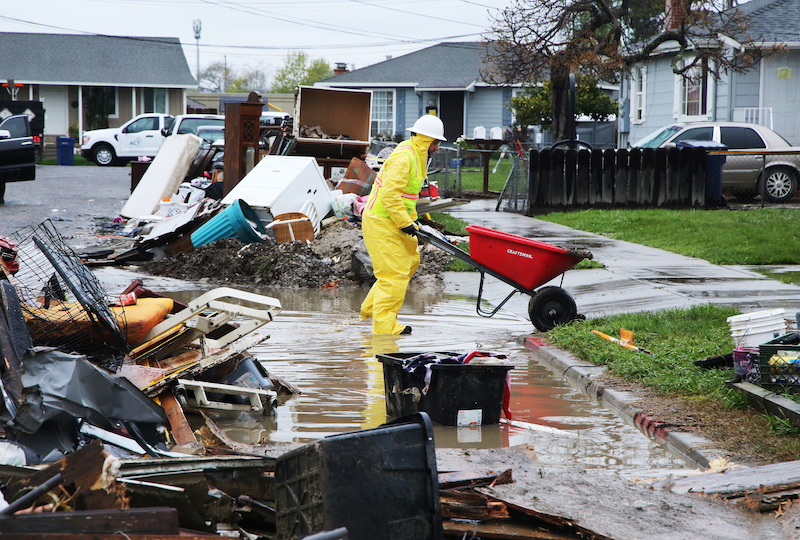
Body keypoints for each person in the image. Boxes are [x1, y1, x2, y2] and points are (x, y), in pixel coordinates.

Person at [360, 115, 446, 335]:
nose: (437, 148)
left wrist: (412, 220)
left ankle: (371, 309)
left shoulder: (418, 156)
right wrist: (404, 223)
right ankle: (385, 328)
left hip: (392, 220)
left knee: (411, 261)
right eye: (435, 143)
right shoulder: (405, 157)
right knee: (394, 275)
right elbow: (390, 196)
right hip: (381, 221)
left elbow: (407, 197)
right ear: (425, 140)